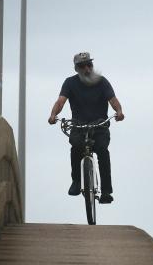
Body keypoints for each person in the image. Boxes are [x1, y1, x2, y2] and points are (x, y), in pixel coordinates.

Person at [48, 52, 124, 204]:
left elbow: (113, 100)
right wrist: (53, 115)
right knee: (76, 148)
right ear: (76, 68)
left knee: (102, 151)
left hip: (99, 125)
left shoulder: (102, 82)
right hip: (79, 124)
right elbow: (61, 101)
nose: (87, 69)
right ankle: (76, 182)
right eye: (82, 66)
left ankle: (106, 191)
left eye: (89, 65)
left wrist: (119, 111)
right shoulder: (70, 83)